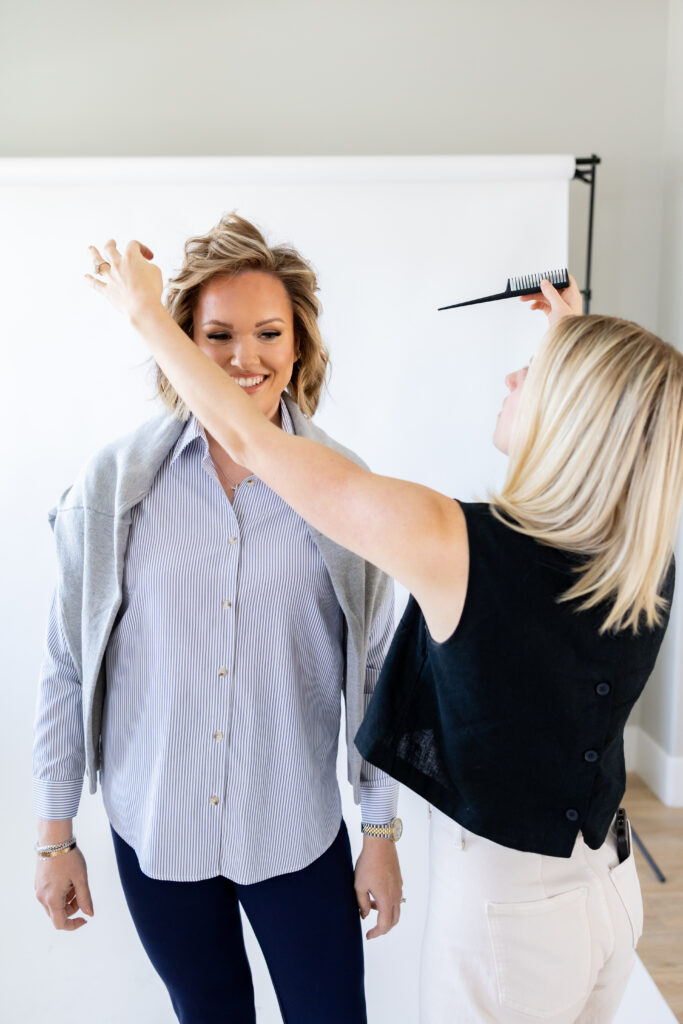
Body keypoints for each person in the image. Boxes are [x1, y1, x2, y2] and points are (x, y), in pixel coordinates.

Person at [85, 238, 683, 1024]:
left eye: (534, 375)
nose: (512, 376)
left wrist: (143, 314)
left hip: (513, 924)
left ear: (571, 416)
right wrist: (568, 332)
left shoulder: (452, 546)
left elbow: (253, 443)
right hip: (605, 894)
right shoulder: (635, 548)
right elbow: (624, 428)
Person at [33, 214, 404, 1024]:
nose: (246, 357)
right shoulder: (114, 487)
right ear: (180, 344)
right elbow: (67, 662)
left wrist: (380, 830)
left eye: (269, 332)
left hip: (295, 832)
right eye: (218, 334)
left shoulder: (344, 489)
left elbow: (378, 671)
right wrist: (55, 834)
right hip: (157, 830)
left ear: (297, 346)